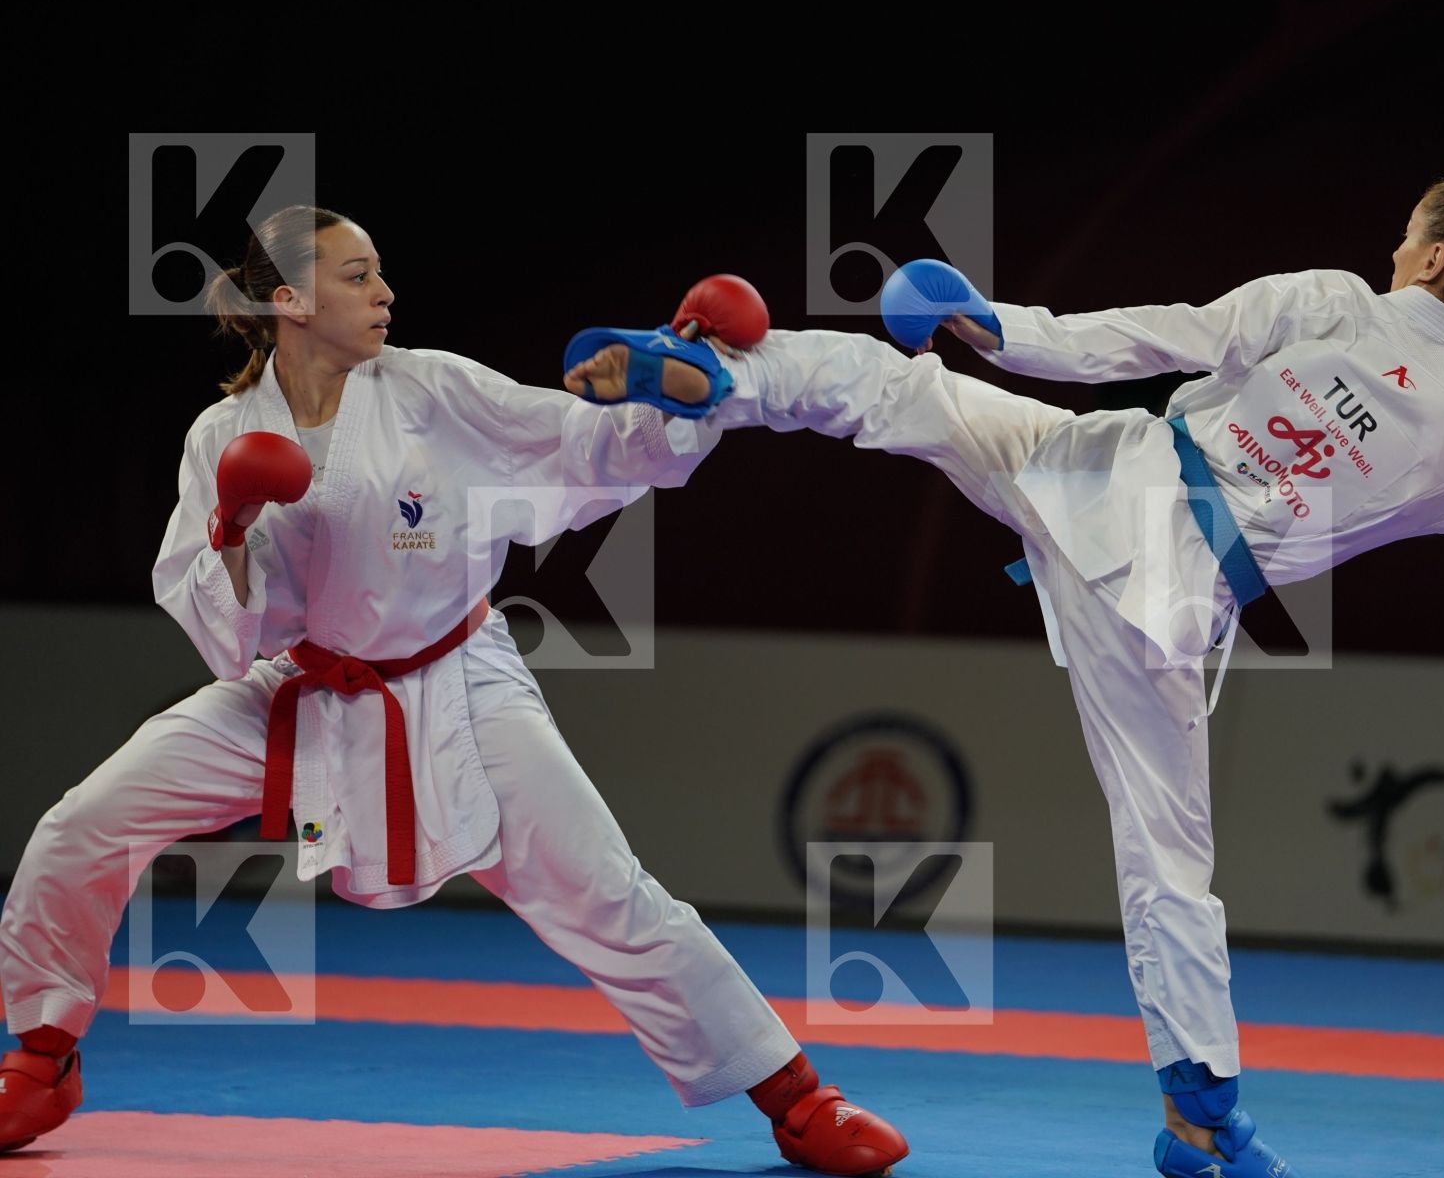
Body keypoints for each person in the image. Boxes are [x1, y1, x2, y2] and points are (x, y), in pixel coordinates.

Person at [565, 172, 1444, 1177]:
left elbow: (1152, 335)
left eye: (1407, 236)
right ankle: (1199, 1117)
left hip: (1098, 475)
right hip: (1167, 590)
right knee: (1166, 857)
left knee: (896, 391)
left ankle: (721, 374)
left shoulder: (1332, 301)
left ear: (1437, 260)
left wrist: (994, 326)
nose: (1392, 248)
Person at [0, 205, 909, 1178]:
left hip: (457, 678)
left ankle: (795, 1095)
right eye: (358, 276)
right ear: (291, 299)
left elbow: (580, 449)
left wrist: (672, 383)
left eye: (381, 273)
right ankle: (44, 1056)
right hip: (299, 687)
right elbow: (227, 638)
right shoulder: (221, 433)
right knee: (81, 825)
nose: (386, 292)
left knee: (604, 889)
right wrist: (229, 527)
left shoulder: (431, 391)